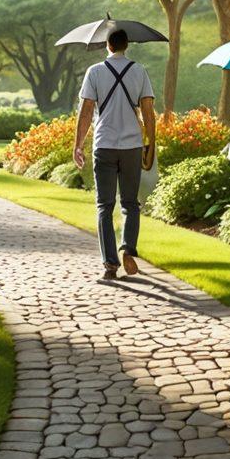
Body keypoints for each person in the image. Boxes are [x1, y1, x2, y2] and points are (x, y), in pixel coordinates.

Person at [73, 29, 156, 280]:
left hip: (104, 144)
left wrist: (77, 145)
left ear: (107, 46)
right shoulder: (139, 70)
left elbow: (86, 111)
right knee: (131, 203)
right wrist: (150, 143)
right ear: (126, 45)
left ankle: (110, 264)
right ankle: (128, 248)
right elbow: (149, 111)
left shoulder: (95, 72)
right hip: (131, 146)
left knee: (104, 205)